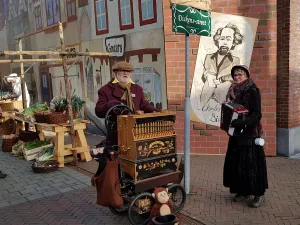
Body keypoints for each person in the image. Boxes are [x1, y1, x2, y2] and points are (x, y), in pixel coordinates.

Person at [223, 65, 268, 208]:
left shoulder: (253, 91)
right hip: (236, 133)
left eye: (240, 74)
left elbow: (257, 114)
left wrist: (243, 123)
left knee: (252, 165)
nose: (237, 77)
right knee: (237, 163)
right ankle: (243, 190)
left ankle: (258, 194)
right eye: (235, 75)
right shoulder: (232, 91)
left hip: (250, 133)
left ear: (246, 75)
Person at [95, 61, 159, 146]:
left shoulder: (137, 89)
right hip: (117, 133)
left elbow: (144, 104)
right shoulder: (105, 90)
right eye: (123, 70)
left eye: (128, 71)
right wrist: (111, 104)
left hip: (136, 130)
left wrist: (155, 110)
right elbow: (99, 111)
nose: (125, 73)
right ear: (116, 73)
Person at [199, 23, 243, 110]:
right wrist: (205, 75)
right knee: (207, 85)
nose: (225, 42)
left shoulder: (235, 60)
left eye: (229, 39)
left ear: (233, 43)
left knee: (223, 87)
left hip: (224, 91)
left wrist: (222, 79)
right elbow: (204, 77)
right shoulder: (208, 57)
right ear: (218, 40)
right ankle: (200, 109)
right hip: (209, 89)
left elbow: (236, 77)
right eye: (222, 38)